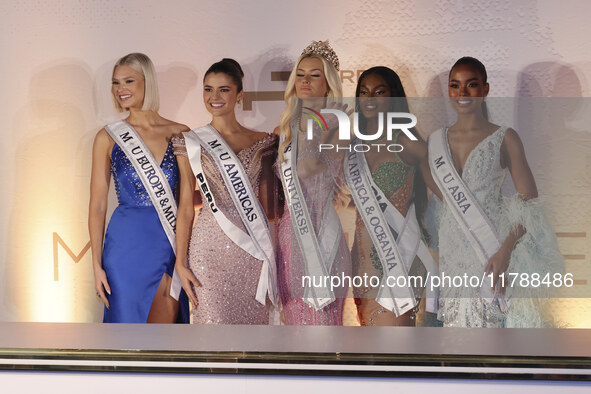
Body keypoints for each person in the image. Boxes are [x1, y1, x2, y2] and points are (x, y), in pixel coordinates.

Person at [427, 56, 563, 327]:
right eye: (455, 85)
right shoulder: (434, 141)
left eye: (471, 85)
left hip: (491, 252)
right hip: (452, 259)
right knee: (456, 349)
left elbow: (530, 209)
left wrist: (505, 252)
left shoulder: (505, 137)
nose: (462, 93)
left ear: (486, 89)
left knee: (491, 346)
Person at [173, 58, 279, 324]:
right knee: (212, 333)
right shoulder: (191, 142)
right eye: (208, 89)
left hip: (253, 252)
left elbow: (272, 204)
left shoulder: (264, 142)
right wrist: (180, 262)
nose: (214, 96)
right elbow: (186, 206)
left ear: (239, 94)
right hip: (208, 252)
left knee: (253, 341)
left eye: (223, 89)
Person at [89, 53, 189, 323]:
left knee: (163, 337)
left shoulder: (181, 133)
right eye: (116, 83)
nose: (121, 89)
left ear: (148, 82)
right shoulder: (107, 137)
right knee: (125, 336)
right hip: (124, 247)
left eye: (129, 81)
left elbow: (187, 204)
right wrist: (96, 265)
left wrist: (183, 255)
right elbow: (98, 206)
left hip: (167, 243)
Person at [347, 66, 440, 326]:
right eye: (364, 92)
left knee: (394, 351)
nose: (370, 99)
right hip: (362, 260)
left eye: (379, 92)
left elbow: (444, 189)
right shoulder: (352, 144)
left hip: (401, 256)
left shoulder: (407, 141)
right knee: (371, 355)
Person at [274, 41, 352, 325]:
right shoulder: (285, 127)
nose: (305, 81)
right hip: (289, 237)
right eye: (301, 74)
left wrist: (311, 122)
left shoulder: (336, 123)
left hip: (322, 236)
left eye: (315, 75)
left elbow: (307, 168)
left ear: (328, 83)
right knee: (296, 327)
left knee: (324, 328)